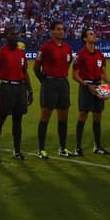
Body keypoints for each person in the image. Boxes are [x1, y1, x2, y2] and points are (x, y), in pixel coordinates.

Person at [0, 27, 31, 162]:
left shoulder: (21, 53)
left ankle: (17, 151)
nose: (15, 36)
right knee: (0, 120)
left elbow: (25, 72)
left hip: (20, 88)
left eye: (16, 34)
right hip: (6, 88)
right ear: (6, 36)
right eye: (12, 34)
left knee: (18, 121)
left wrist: (30, 90)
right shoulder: (1, 53)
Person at [34, 20, 74, 159]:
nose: (61, 31)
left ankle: (62, 148)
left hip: (63, 83)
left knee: (63, 117)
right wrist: (44, 81)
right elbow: (36, 67)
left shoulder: (67, 47)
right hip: (50, 84)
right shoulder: (46, 48)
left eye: (62, 29)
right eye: (58, 29)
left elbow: (68, 63)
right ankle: (41, 150)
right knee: (45, 116)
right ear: (51, 31)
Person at [72, 29, 109, 155]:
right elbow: (74, 75)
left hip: (98, 86)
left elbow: (102, 72)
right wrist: (87, 86)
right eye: (91, 34)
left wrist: (107, 82)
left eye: (94, 33)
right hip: (86, 87)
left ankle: (97, 146)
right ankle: (78, 147)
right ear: (85, 39)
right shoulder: (80, 55)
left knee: (98, 115)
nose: (94, 35)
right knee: (83, 115)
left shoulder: (99, 54)